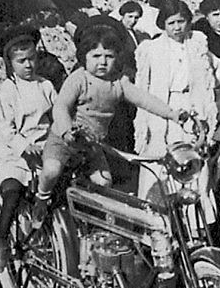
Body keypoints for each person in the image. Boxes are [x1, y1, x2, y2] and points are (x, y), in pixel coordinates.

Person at [33, 18, 184, 224]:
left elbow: (144, 99)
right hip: (64, 140)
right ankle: (40, 199)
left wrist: (172, 113)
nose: (102, 62)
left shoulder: (118, 83)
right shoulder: (79, 78)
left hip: (92, 145)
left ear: (117, 58)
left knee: (104, 183)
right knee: (51, 171)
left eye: (109, 56)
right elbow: (61, 106)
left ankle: (92, 224)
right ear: (83, 56)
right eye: (96, 56)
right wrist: (67, 130)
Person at [134, 0, 220, 219]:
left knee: (192, 165)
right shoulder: (151, 49)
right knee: (163, 167)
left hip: (191, 110)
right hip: (162, 113)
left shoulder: (197, 45)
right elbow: (142, 88)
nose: (177, 28)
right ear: (163, 24)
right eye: (171, 23)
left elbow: (217, 69)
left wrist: (213, 96)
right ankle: (161, 225)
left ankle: (193, 227)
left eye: (182, 22)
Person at [0, 31, 57, 272]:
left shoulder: (45, 85)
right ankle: (2, 243)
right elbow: (5, 129)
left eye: (32, 58)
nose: (28, 65)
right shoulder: (7, 91)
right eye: (21, 61)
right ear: (11, 64)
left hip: (43, 149)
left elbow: (56, 116)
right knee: (12, 190)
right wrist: (23, 145)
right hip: (15, 154)